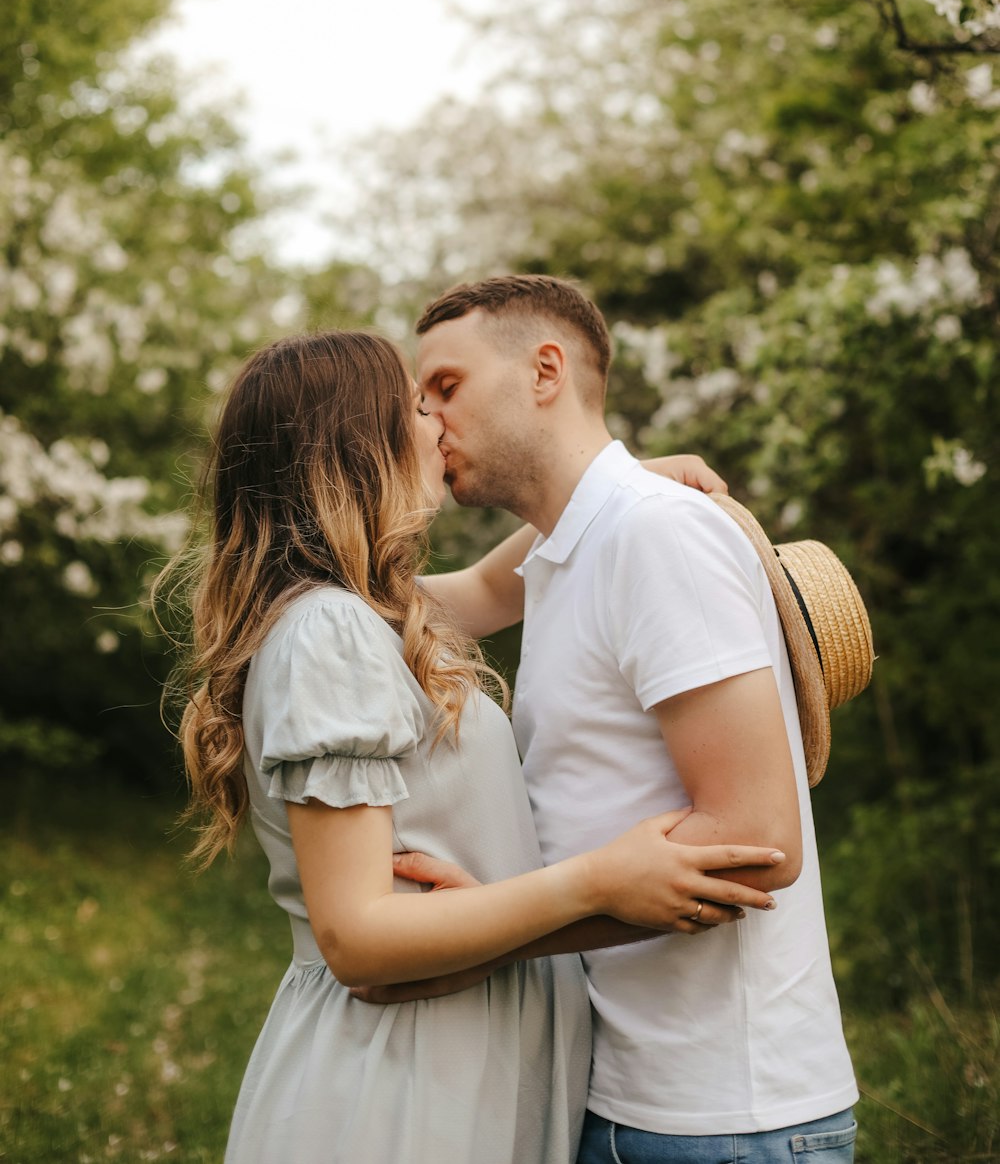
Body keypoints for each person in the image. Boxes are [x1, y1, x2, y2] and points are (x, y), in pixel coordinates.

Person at [161, 329, 786, 1164]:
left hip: (453, 1055)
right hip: (404, 1087)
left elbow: (496, 587)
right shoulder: (331, 633)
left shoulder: (364, 614)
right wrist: (595, 881)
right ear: (356, 446)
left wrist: (615, 484)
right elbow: (359, 937)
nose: (438, 426)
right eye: (417, 406)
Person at [407, 276, 859, 1163]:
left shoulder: (657, 536)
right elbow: (408, 605)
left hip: (730, 1120)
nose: (426, 423)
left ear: (546, 371)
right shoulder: (574, 549)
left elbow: (755, 839)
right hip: (626, 1097)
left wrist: (498, 928)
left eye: (446, 389)